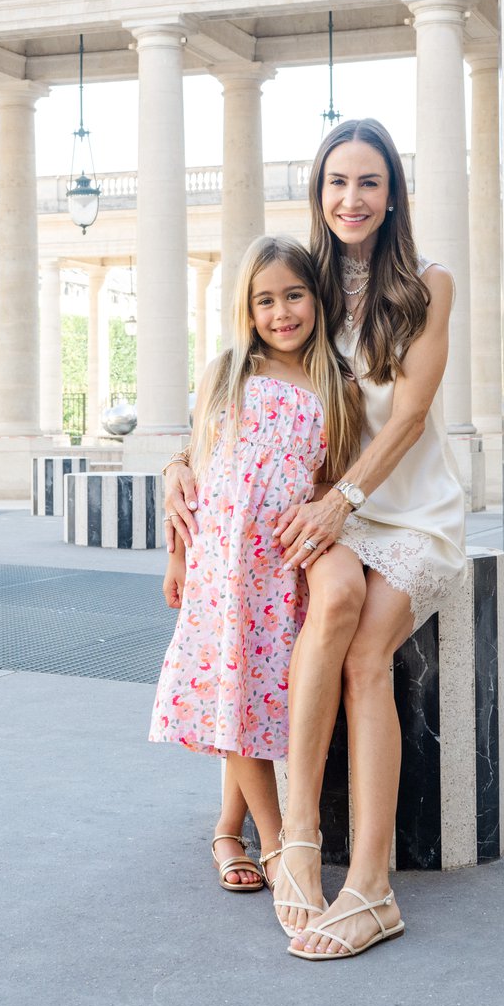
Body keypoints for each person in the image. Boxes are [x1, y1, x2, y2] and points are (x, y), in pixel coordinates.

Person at [164, 118, 467, 960]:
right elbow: (240, 387)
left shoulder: (430, 285)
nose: (351, 197)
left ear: (393, 193)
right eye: (337, 181)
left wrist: (343, 501)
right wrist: (177, 466)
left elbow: (409, 417)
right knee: (314, 611)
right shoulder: (310, 283)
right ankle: (294, 837)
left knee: (367, 655)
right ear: (318, 192)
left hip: (404, 509)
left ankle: (370, 886)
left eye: (369, 181)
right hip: (325, 506)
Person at [150, 234, 364, 901]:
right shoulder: (227, 371)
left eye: (293, 295)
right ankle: (273, 841)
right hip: (221, 563)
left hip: (278, 567)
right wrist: (177, 557)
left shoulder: (335, 383)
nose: (280, 312)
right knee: (231, 688)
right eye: (264, 300)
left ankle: (227, 828)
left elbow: (331, 482)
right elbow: (195, 467)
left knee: (258, 693)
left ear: (316, 299)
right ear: (246, 308)